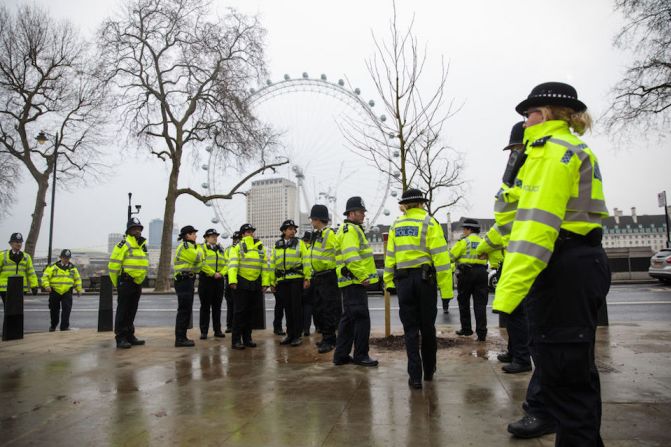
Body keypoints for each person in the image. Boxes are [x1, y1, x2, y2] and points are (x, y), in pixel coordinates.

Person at [493, 82, 610, 446]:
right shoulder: (566, 149)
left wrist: (507, 295)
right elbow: (512, 215)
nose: (524, 123)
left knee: (565, 381)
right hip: (579, 263)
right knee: (573, 375)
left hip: (562, 270)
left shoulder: (550, 152)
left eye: (527, 115)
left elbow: (535, 229)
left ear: (543, 114)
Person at [476, 121, 532, 374]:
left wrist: (484, 246)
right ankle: (515, 350)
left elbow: (507, 221)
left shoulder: (527, 173)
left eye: (515, 148)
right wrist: (485, 246)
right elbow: (503, 223)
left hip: (525, 252)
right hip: (515, 251)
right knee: (511, 309)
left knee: (518, 311)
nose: (512, 154)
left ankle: (522, 357)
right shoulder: (518, 175)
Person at [383, 189, 453, 389]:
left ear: (404, 205)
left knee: (410, 329)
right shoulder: (429, 223)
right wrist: (446, 291)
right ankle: (429, 371)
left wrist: (388, 281)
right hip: (425, 282)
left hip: (403, 282)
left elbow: (390, 257)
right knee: (427, 327)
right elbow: (441, 257)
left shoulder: (396, 224)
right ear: (421, 203)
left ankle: (415, 376)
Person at [333, 197, 379, 367]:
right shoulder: (349, 230)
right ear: (351, 213)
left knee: (349, 319)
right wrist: (362, 276)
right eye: (361, 212)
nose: (364, 215)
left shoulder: (350, 229)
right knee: (361, 318)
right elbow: (351, 256)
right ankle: (360, 355)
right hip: (354, 281)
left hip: (350, 281)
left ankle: (341, 355)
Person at [227, 223, 270, 350]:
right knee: (240, 313)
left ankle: (247, 338)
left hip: (255, 283)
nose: (250, 234)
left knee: (251, 313)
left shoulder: (259, 247)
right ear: (242, 234)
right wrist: (232, 281)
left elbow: (264, 266)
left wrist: (265, 283)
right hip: (241, 283)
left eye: (252, 231)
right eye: (247, 232)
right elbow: (233, 265)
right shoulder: (238, 247)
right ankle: (236, 340)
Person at [108, 219, 149, 349]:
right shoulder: (123, 244)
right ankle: (120, 337)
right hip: (125, 282)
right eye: (134, 228)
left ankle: (130, 336)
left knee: (132, 311)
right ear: (128, 230)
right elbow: (113, 265)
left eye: (139, 228)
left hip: (136, 283)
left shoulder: (142, 245)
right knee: (123, 311)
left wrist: (140, 279)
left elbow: (143, 264)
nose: (137, 230)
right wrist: (118, 283)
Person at [308, 205, 343, 354]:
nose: (311, 222)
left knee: (329, 309)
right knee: (320, 309)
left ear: (317, 219)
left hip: (328, 275)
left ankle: (330, 340)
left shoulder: (330, 234)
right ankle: (325, 337)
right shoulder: (317, 235)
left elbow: (338, 252)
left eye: (312, 219)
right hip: (318, 276)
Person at [270, 219, 310, 346]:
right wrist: (272, 281)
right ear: (283, 231)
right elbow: (273, 264)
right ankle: (290, 334)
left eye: (294, 229)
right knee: (287, 308)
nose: (293, 231)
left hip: (296, 279)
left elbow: (306, 260)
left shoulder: (300, 243)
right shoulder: (277, 245)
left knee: (296, 308)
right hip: (282, 281)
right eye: (290, 229)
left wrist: (307, 278)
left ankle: (297, 335)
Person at [450, 219, 489, 341]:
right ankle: (481, 333)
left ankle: (466, 329)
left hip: (466, 274)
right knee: (480, 304)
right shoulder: (483, 242)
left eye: (464, 229)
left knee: (464, 302)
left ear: (469, 229)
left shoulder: (464, 242)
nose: (463, 231)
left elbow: (451, 257)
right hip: (482, 273)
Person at [173, 225, 203, 347]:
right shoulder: (185, 246)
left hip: (188, 280)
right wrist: (201, 250)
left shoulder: (191, 247)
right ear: (187, 235)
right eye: (193, 233)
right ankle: (180, 339)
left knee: (186, 310)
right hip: (183, 280)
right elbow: (198, 258)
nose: (196, 235)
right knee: (184, 310)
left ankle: (182, 337)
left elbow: (198, 266)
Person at [41, 249, 83, 332]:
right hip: (54, 291)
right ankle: (53, 326)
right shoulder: (52, 267)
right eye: (64, 257)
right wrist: (47, 286)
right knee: (54, 310)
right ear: (60, 257)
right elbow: (45, 277)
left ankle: (64, 327)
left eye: (67, 258)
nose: (66, 259)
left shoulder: (73, 268)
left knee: (67, 310)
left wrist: (79, 289)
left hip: (67, 291)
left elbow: (77, 279)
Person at [198, 228, 226, 340]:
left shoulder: (221, 249)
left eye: (215, 236)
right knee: (205, 307)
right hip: (206, 280)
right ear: (206, 238)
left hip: (219, 280)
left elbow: (226, 263)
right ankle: (204, 331)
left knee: (217, 307)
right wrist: (213, 273)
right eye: (211, 236)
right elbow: (201, 263)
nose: (214, 237)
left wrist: (221, 273)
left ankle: (217, 330)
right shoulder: (201, 248)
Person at [0, 233, 38, 304]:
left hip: (20, 288)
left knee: (18, 310)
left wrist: (34, 286)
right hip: (5, 288)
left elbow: (31, 273)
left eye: (20, 242)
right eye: (17, 242)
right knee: (8, 310)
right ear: (11, 243)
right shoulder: (2, 256)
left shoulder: (26, 257)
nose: (19, 244)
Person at [223, 231, 240, 333]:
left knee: (239, 305)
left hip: (239, 279)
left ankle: (236, 325)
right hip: (230, 279)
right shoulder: (228, 250)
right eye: (235, 239)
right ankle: (230, 326)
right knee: (231, 304)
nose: (237, 240)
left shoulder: (241, 249)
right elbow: (226, 263)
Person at [301, 230, 315, 336]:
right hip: (312, 278)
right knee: (311, 305)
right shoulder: (313, 248)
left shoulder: (300, 246)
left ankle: (303, 328)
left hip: (301, 279)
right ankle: (310, 328)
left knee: (301, 305)